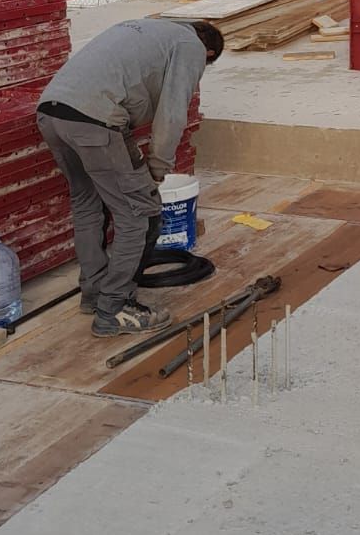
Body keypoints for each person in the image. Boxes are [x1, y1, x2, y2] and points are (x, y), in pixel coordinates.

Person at [36, 18, 224, 338]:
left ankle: (94, 294)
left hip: (51, 113)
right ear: (207, 52)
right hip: (94, 120)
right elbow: (173, 111)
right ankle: (114, 308)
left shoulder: (145, 28)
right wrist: (158, 168)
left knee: (87, 203)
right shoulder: (189, 46)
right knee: (138, 216)